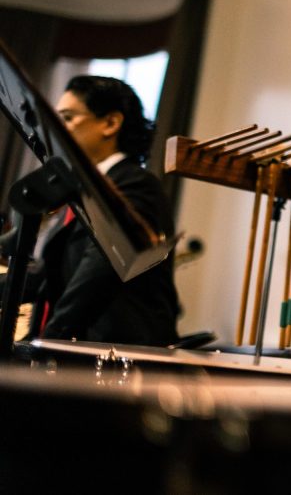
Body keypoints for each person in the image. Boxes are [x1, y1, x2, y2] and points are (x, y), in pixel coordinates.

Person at [15, 75, 180, 346]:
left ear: (110, 123)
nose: (55, 130)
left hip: (114, 352)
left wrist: (46, 343)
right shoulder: (82, 191)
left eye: (67, 118)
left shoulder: (134, 185)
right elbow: (49, 275)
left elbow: (95, 277)